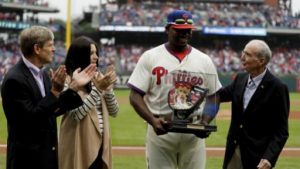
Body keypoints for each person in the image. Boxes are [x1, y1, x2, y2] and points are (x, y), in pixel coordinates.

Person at [128, 10, 222, 169]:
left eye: (188, 30)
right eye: (179, 30)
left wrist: (205, 122)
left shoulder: (204, 60)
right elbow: (135, 95)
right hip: (161, 131)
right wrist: (152, 120)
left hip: (194, 136)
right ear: (167, 29)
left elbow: (214, 95)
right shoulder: (151, 57)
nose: (184, 34)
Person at [1, 26, 97, 169]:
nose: (54, 49)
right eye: (51, 45)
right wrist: (54, 92)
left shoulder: (44, 75)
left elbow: (52, 111)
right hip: (27, 161)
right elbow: (30, 119)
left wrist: (73, 88)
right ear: (37, 48)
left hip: (47, 158)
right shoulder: (14, 79)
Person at [216, 40, 290, 169]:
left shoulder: (277, 87)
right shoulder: (240, 78)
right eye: (243, 53)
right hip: (234, 151)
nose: (242, 57)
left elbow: (281, 131)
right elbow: (219, 95)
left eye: (248, 54)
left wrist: (269, 157)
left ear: (261, 61)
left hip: (258, 157)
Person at [58, 36, 119, 169]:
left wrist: (108, 89)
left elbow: (114, 112)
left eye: (96, 52)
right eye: (91, 53)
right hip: (79, 144)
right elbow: (76, 115)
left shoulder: (98, 77)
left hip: (101, 146)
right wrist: (98, 89)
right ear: (80, 54)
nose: (96, 57)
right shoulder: (67, 80)